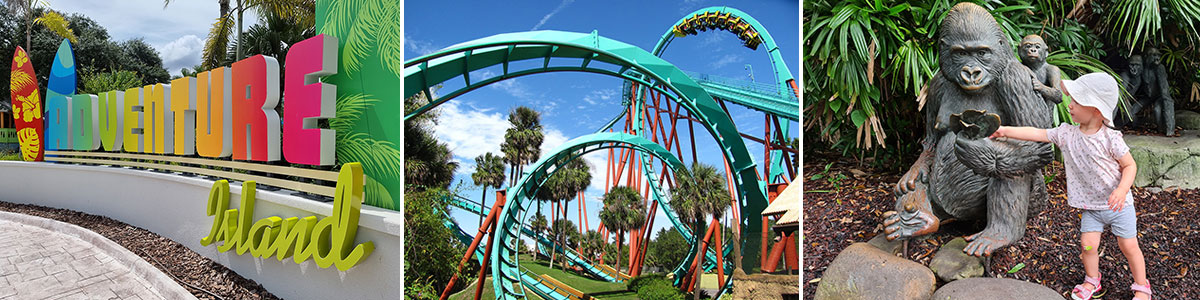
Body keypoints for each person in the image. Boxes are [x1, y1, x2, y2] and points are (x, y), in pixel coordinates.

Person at [988, 73, 1151, 300]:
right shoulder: (1066, 134)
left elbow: (1130, 166)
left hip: (1118, 206)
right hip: (1091, 206)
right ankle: (1092, 280)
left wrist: (1122, 190)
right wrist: (1005, 130)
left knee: (1128, 245)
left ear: (1095, 109)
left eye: (1076, 101)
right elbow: (1037, 133)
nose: (1070, 105)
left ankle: (1142, 286)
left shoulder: (1110, 138)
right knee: (1087, 246)